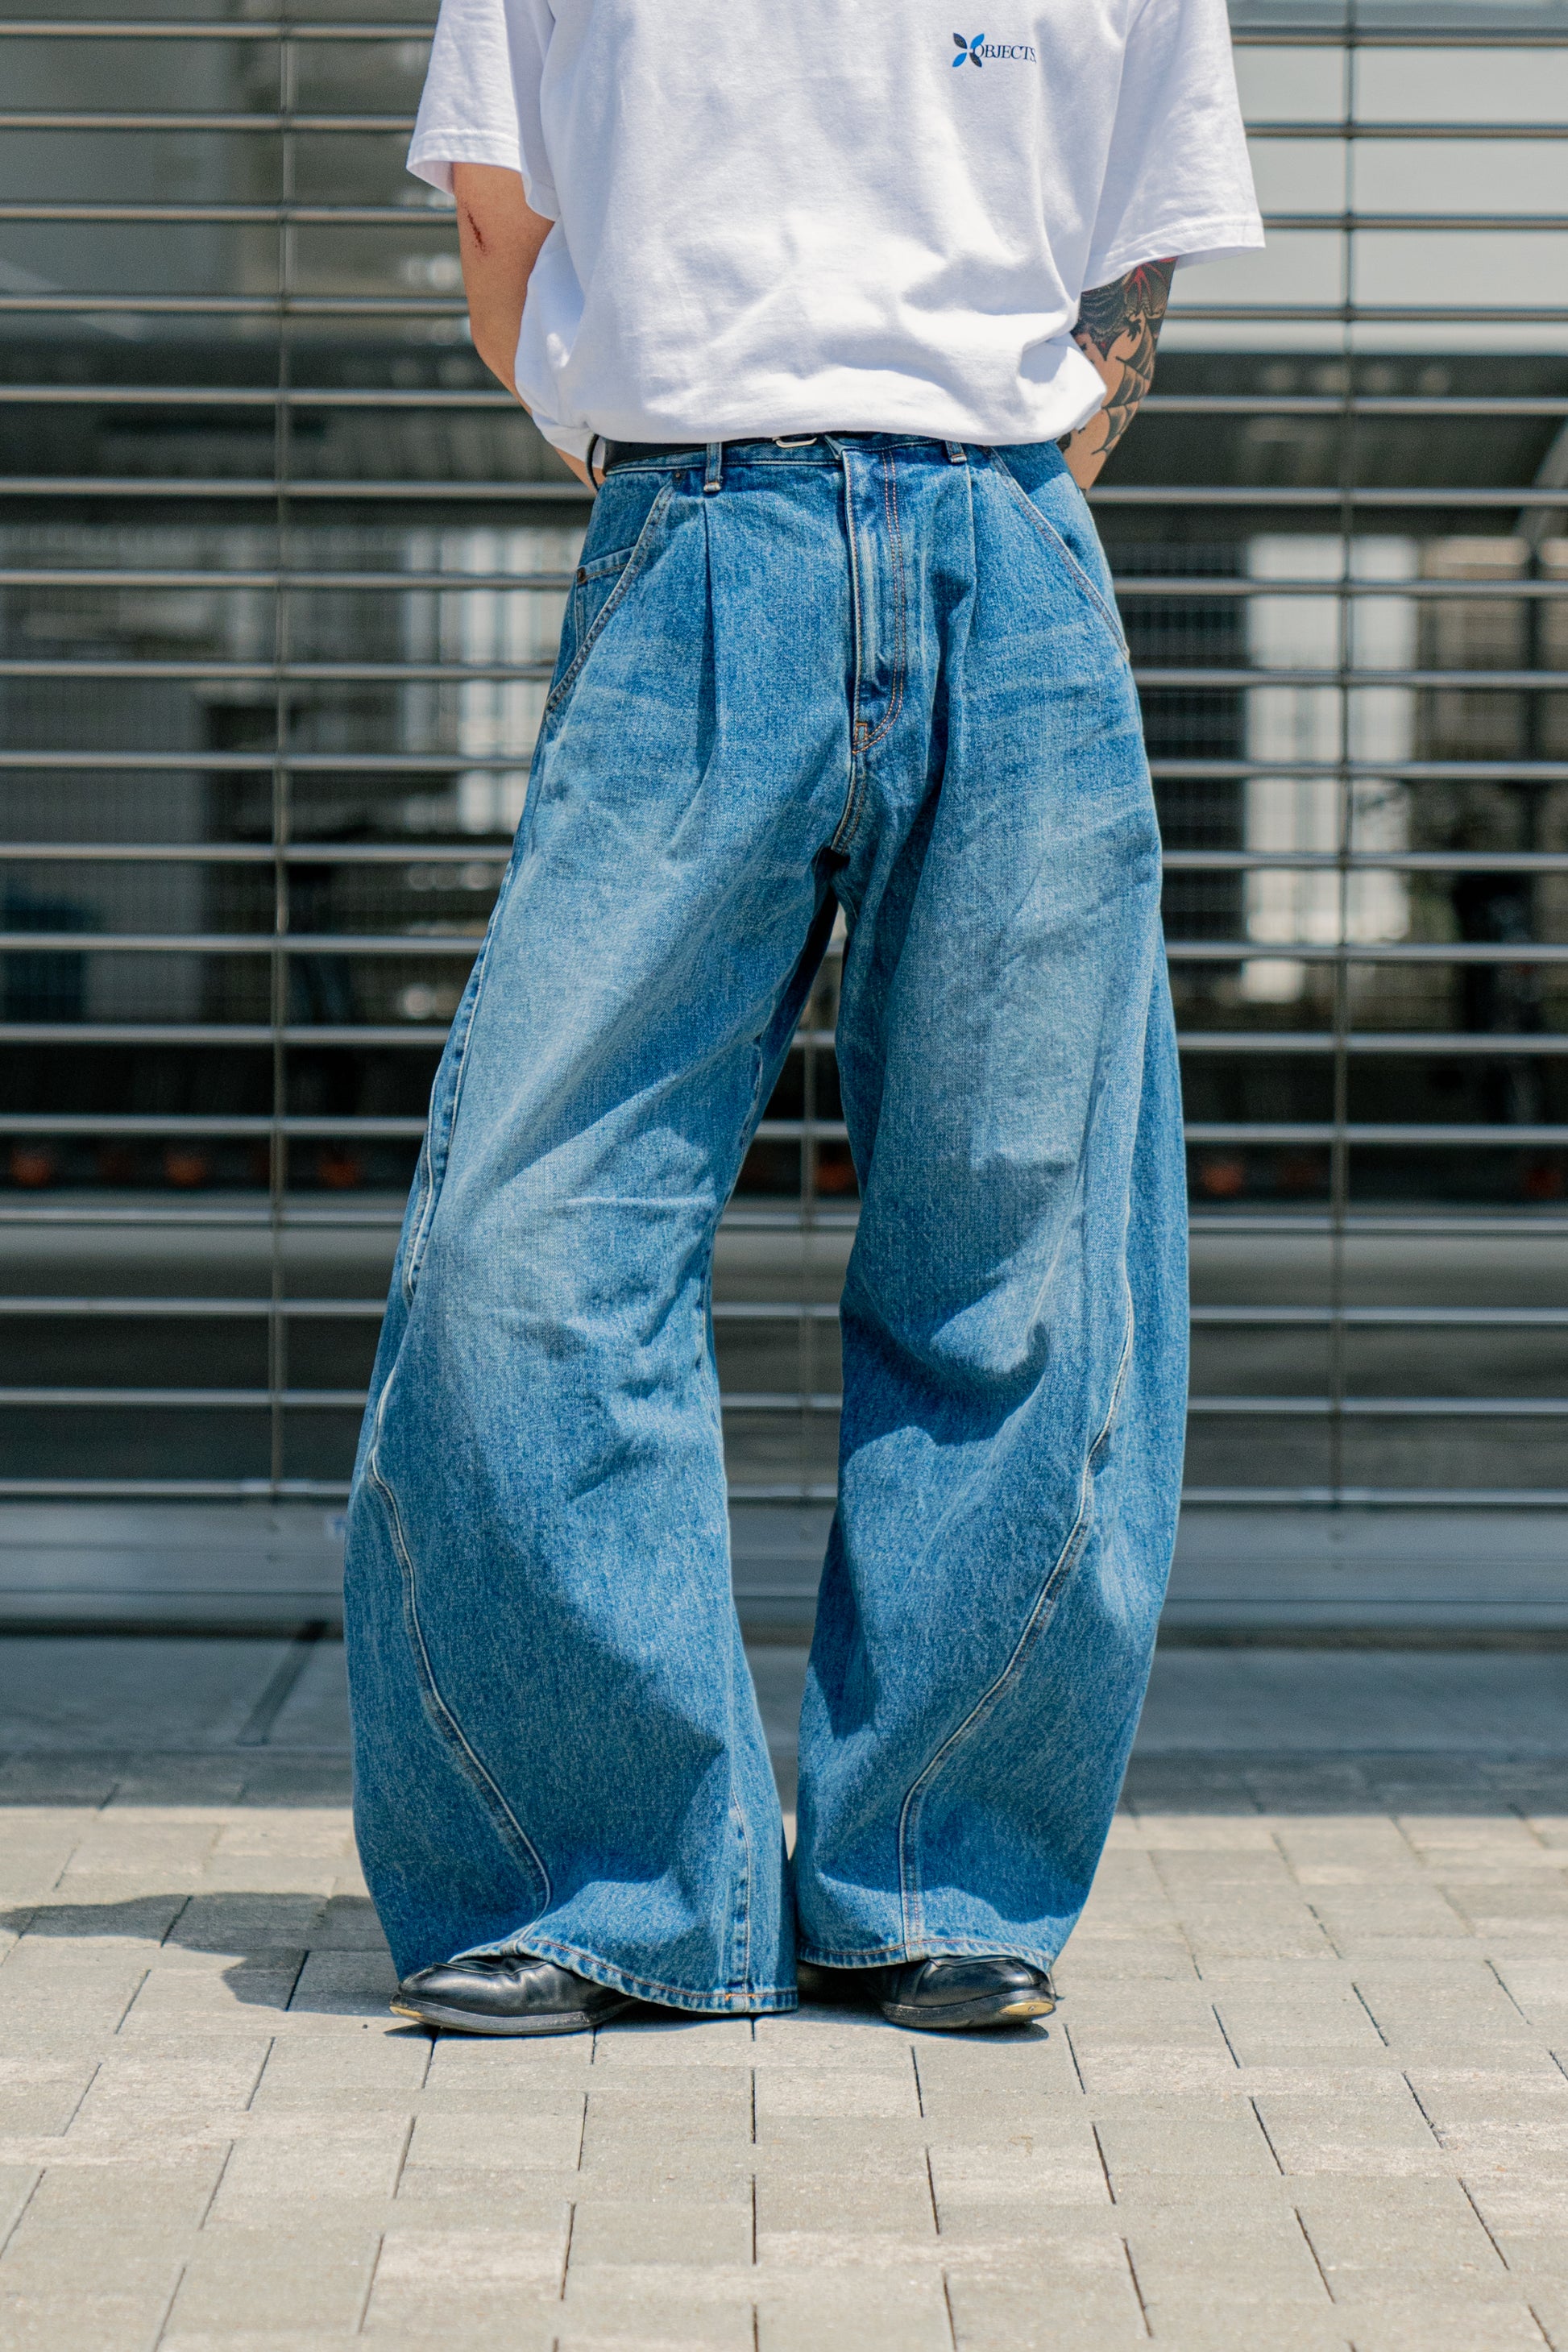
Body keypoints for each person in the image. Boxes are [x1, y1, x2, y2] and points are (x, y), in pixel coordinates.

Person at [345, 0, 1262, 2037]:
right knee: (532, 1235)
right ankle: (623, 1878)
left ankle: (926, 1875)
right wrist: (701, 475)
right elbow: (502, 237)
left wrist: (964, 482)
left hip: (996, 553)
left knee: (1022, 1249)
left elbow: (1131, 254)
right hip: (700, 540)